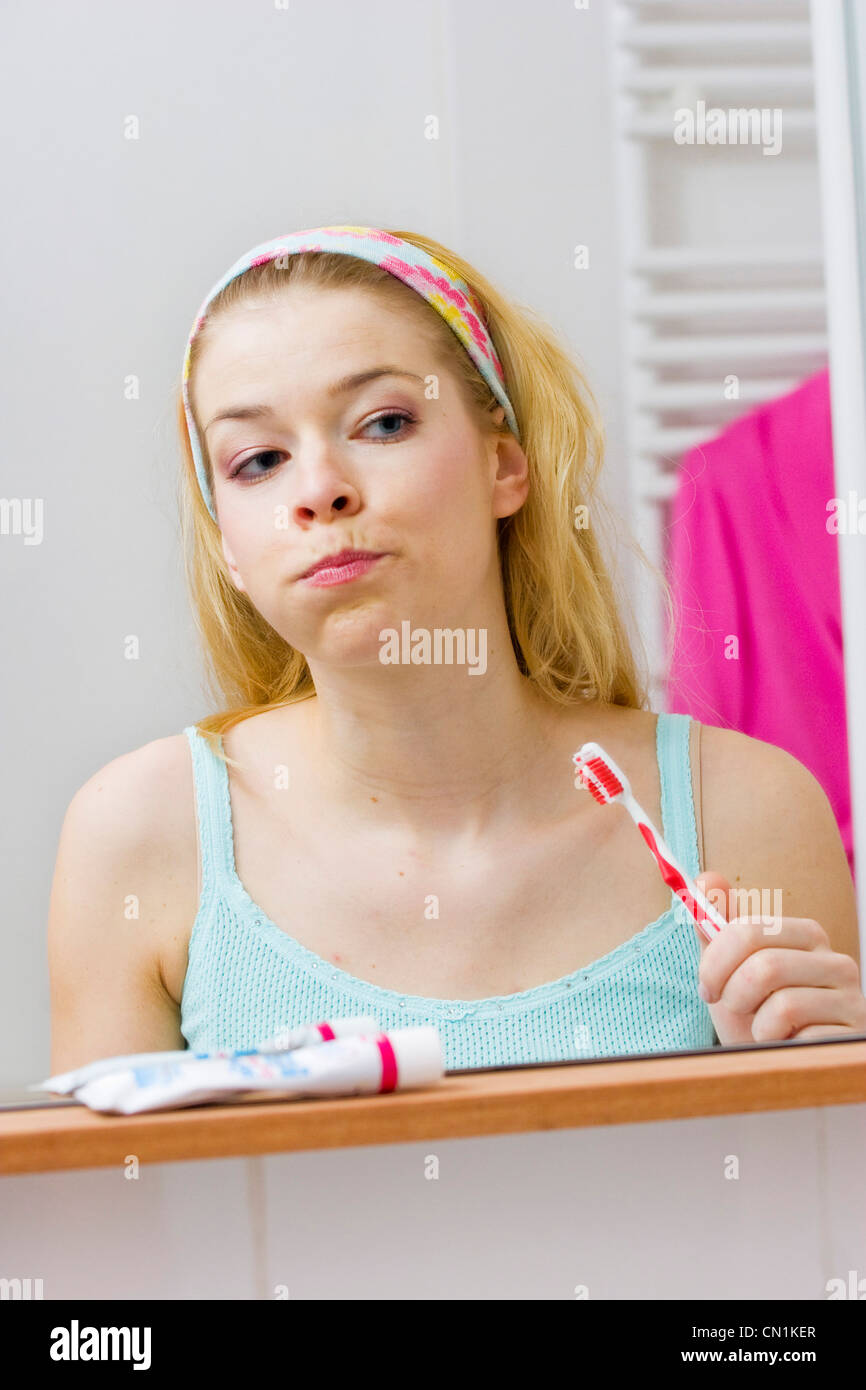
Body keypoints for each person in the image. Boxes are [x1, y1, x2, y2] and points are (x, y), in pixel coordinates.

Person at [46, 226, 865, 1074]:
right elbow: (114, 1202)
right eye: (259, 461)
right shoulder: (139, 838)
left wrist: (820, 1097)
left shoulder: (747, 813)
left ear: (504, 466)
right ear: (229, 549)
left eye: (385, 422)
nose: (320, 489)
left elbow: (826, 1198)